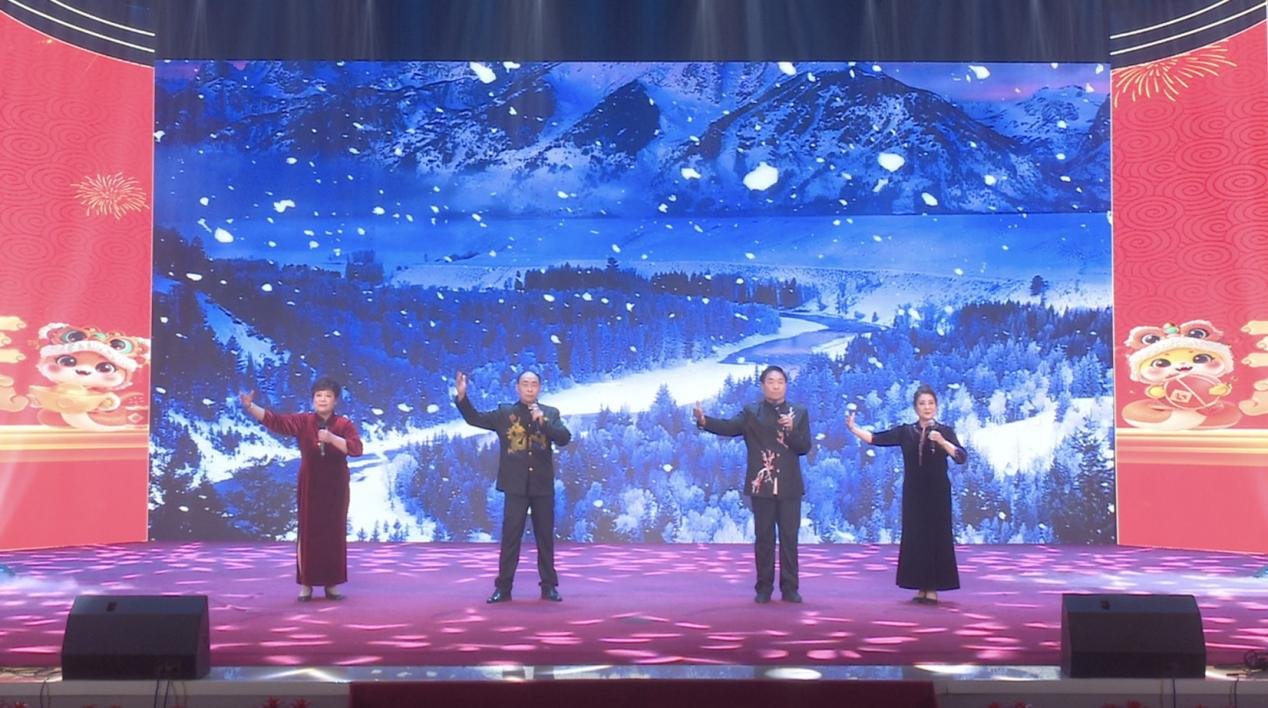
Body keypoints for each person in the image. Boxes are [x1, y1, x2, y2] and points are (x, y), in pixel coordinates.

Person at [694, 365, 812, 603]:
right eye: (771, 381)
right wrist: (704, 421)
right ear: (762, 386)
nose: (776, 386)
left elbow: (803, 447)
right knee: (764, 538)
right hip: (762, 484)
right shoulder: (751, 412)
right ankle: (764, 588)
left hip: (789, 485)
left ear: (786, 385)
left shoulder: (798, 412)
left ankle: (790, 588)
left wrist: (790, 430)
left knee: (789, 538)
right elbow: (729, 427)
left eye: (780, 382)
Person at [240, 377, 363, 601]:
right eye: (318, 395)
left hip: (336, 486)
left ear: (335, 401)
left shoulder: (344, 424)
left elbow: (356, 449)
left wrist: (332, 438)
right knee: (308, 532)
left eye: (327, 396)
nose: (322, 399)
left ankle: (332, 584)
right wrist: (250, 406)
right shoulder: (303, 421)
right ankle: (306, 584)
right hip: (310, 482)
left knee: (333, 533)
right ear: (313, 399)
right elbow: (276, 421)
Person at [455, 369, 571, 603]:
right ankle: (503, 587)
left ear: (539, 388)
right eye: (525, 384)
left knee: (545, 539)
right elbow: (474, 418)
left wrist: (544, 423)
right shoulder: (504, 413)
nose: (529, 388)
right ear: (517, 388)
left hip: (542, 486)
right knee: (510, 539)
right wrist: (462, 397)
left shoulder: (550, 413)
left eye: (534, 384)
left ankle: (549, 586)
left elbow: (564, 438)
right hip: (515, 486)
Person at [846, 384, 967, 605]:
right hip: (914, 493)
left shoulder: (945, 431)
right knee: (916, 537)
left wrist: (942, 441)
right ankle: (920, 585)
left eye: (930, 403)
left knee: (936, 537)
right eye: (922, 403)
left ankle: (933, 587)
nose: (927, 407)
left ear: (936, 406)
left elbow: (961, 457)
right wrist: (854, 429)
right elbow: (876, 439)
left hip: (938, 493)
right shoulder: (906, 432)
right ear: (915, 407)